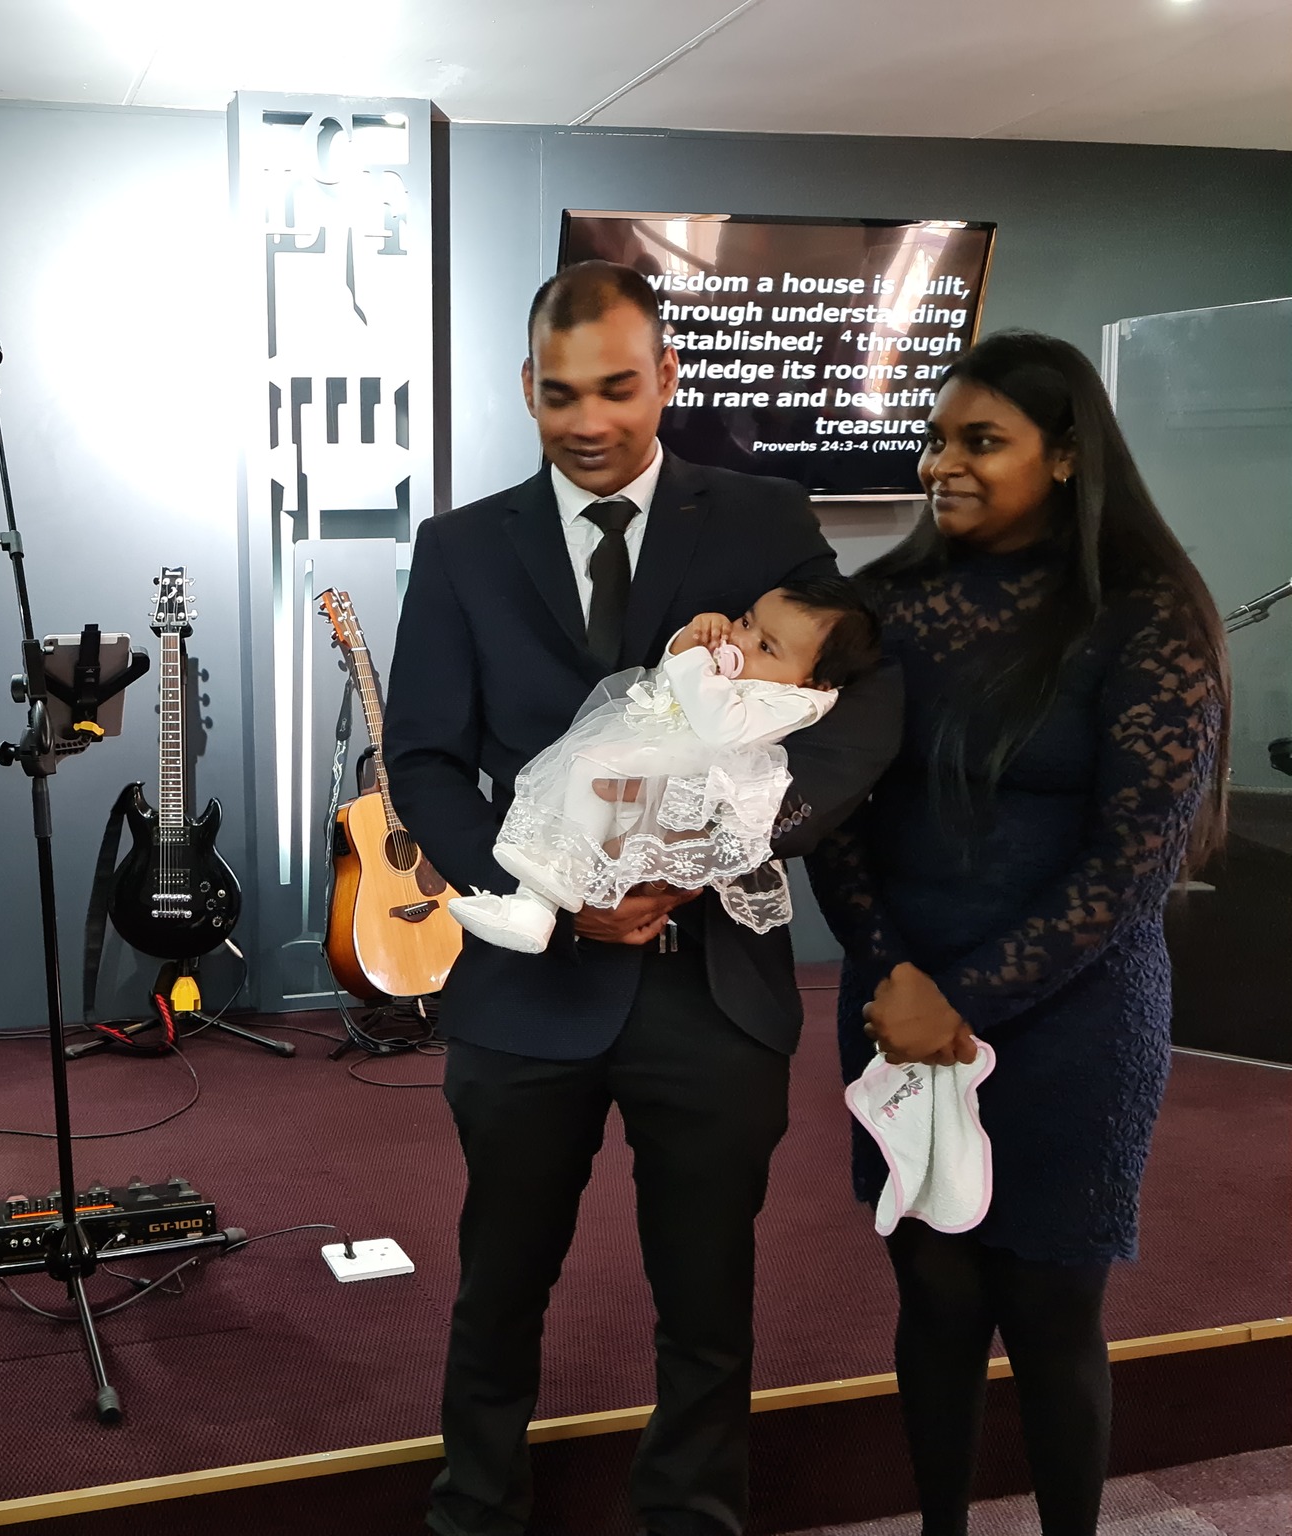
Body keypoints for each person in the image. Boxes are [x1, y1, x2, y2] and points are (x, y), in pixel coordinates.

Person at [385, 260, 905, 1536]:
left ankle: (690, 1517)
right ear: (525, 387)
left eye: (617, 387)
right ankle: (474, 1512)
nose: (588, 420)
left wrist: (711, 851)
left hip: (709, 990)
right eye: (560, 392)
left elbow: (855, 704)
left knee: (705, 1301)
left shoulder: (763, 516)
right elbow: (423, 759)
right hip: (527, 986)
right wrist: (553, 891)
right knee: (496, 1288)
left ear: (665, 377)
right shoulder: (459, 548)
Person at [806, 331, 1228, 1536]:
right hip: (895, 1003)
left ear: (1066, 456)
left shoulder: (1145, 615)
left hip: (1071, 1019)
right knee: (933, 1303)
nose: (941, 463)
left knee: (1050, 1317)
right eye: (935, 438)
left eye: (979, 441)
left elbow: (1132, 861)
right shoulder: (882, 607)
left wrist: (958, 1000)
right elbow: (833, 816)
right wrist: (893, 978)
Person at [451, 576, 883, 952]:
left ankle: (550, 894)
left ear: (815, 680)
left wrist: (698, 661)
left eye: (766, 646)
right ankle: (534, 906)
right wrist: (688, 640)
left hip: (694, 776)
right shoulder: (750, 670)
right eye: (746, 621)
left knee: (591, 770)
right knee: (579, 776)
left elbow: (720, 726)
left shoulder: (796, 701)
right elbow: (665, 678)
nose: (740, 641)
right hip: (664, 755)